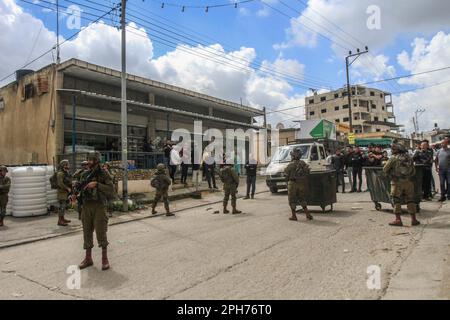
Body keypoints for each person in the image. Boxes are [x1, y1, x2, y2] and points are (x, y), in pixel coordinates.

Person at [76, 152, 115, 271]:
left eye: (91, 160)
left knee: (101, 232)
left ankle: (104, 259)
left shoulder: (103, 174)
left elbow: (111, 190)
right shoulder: (84, 174)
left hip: (99, 206)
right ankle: (88, 259)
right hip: (86, 206)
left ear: (96, 161)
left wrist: (97, 185)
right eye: (88, 160)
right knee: (86, 232)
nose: (88, 162)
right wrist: (75, 195)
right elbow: (80, 190)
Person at [383, 144, 420, 227]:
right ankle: (414, 219)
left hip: (397, 182)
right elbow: (413, 171)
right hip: (408, 182)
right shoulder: (409, 158)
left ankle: (398, 220)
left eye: (393, 149)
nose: (392, 151)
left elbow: (385, 169)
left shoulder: (393, 158)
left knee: (396, 200)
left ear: (396, 150)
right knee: (410, 200)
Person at [284, 148, 313, 221]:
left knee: (292, 200)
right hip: (302, 183)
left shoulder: (290, 165)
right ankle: (308, 214)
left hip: (293, 184)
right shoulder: (303, 163)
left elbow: (286, 175)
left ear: (293, 156)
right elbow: (308, 172)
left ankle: (294, 216)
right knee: (302, 198)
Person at [56, 160, 72, 227]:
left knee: (64, 206)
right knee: (62, 207)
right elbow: (60, 183)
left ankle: (62, 218)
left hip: (65, 192)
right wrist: (67, 188)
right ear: (63, 165)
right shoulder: (60, 173)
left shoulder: (65, 172)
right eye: (67, 165)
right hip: (61, 193)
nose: (68, 166)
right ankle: (60, 221)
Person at [435, 137, 450, 202]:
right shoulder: (439, 151)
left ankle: (449, 195)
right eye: (441, 143)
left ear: (447, 143)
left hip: (448, 170)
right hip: (441, 170)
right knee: (442, 183)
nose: (442, 144)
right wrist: (436, 167)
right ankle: (442, 196)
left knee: (449, 183)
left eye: (443, 143)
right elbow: (435, 160)